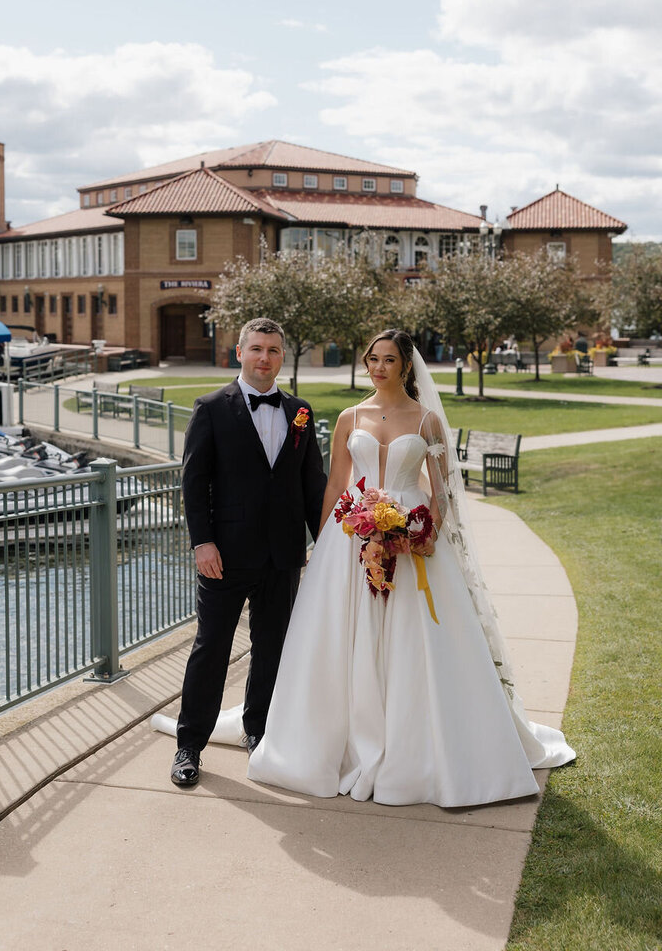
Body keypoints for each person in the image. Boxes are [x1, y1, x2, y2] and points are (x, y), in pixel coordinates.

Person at [247, 329, 575, 806]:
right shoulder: (348, 417)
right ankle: (336, 743)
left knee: (411, 641)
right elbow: (337, 484)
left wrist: (421, 535)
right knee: (342, 640)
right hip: (349, 541)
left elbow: (443, 494)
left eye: (389, 360)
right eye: (373, 359)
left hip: (411, 540)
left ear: (406, 366)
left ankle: (415, 751)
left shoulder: (426, 422)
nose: (379, 367)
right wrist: (321, 548)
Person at [169, 317, 327, 788]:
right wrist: (202, 542)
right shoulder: (211, 408)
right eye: (256, 349)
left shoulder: (300, 411)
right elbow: (194, 483)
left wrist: (326, 541)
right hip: (224, 556)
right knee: (211, 649)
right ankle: (189, 745)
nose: (264, 358)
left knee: (273, 649)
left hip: (283, 556)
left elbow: (311, 483)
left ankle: (259, 734)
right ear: (239, 353)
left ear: (282, 357)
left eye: (273, 351)